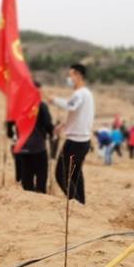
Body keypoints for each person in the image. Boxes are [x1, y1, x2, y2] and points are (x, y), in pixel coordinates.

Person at [48, 64, 95, 204]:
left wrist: (54, 100)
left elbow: (71, 106)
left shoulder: (80, 93)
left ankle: (75, 201)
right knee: (75, 174)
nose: (69, 78)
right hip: (81, 140)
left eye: (71, 75)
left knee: (61, 174)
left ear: (78, 75)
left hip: (76, 142)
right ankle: (81, 202)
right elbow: (77, 114)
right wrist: (64, 125)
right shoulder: (86, 94)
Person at [17, 82, 54, 193]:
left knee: (26, 177)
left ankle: (28, 197)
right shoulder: (41, 106)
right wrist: (53, 133)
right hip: (38, 147)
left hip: (23, 147)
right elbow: (48, 124)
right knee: (41, 176)